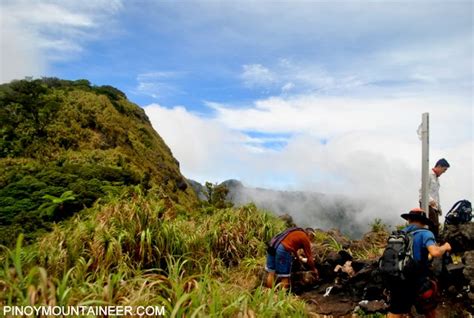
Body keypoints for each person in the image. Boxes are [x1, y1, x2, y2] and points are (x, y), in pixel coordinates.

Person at [387, 208, 451, 318]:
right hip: (417, 280)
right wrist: (445, 246)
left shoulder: (399, 235)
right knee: (429, 309)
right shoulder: (425, 233)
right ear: (423, 221)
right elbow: (435, 252)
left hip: (396, 277)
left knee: (395, 312)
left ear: (409, 220)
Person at [419, 158, 450, 238]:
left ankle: (434, 244)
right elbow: (422, 190)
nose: (444, 172)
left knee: (435, 226)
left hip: (434, 206)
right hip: (426, 203)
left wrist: (439, 207)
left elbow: (436, 194)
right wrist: (431, 201)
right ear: (439, 166)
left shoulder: (436, 178)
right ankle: (430, 245)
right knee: (432, 225)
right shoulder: (428, 174)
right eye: (444, 169)